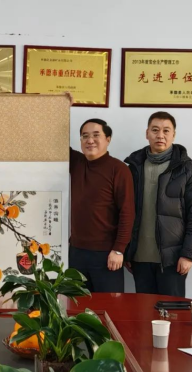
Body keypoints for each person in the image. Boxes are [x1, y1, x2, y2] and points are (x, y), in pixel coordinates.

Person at [125, 111, 192, 297]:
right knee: (143, 311)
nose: (160, 135)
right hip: (139, 258)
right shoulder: (134, 168)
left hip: (173, 260)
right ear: (147, 133)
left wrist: (188, 254)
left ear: (173, 135)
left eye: (166, 131)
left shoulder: (188, 170)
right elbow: (124, 212)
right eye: (155, 130)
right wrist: (127, 251)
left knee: (173, 310)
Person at [69, 118, 135, 292]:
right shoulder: (75, 162)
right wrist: (61, 106)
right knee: (76, 305)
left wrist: (119, 250)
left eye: (96, 135)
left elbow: (127, 212)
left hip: (107, 254)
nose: (90, 140)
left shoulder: (119, 169)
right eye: (85, 136)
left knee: (109, 306)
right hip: (76, 252)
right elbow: (52, 140)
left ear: (108, 139)